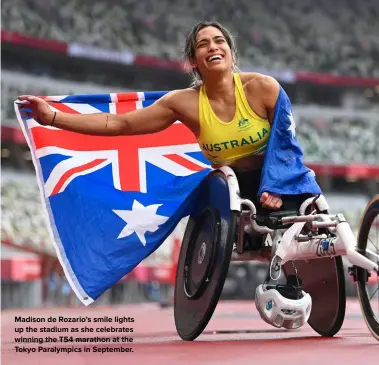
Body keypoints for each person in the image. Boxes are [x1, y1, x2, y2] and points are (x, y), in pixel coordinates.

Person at [18, 20, 294, 213]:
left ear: (231, 55)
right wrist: (53, 117)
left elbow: (286, 145)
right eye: (203, 44)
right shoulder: (182, 103)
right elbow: (119, 123)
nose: (213, 47)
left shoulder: (263, 87)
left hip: (279, 179)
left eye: (219, 41)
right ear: (194, 62)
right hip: (231, 190)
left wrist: (275, 185)